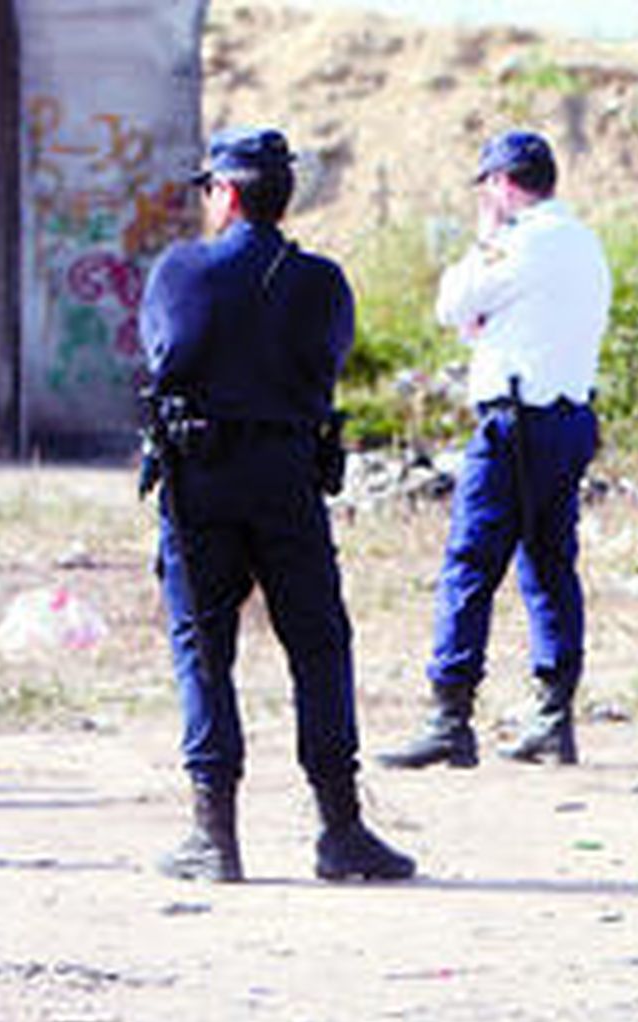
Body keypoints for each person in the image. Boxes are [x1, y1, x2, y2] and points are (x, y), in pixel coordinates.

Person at [139, 126, 415, 883]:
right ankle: (341, 828)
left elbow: (164, 358)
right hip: (289, 475)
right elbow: (327, 365)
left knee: (204, 650)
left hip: (200, 479)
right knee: (319, 645)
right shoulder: (322, 281)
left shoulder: (181, 270)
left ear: (224, 193)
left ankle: (214, 835)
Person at [378, 129, 610, 770]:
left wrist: (484, 237)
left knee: (470, 564)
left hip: (516, 423)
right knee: (549, 565)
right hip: (568, 417)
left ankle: (450, 715)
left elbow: (453, 303)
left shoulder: (517, 242)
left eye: (488, 188)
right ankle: (552, 714)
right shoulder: (583, 241)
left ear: (504, 185)